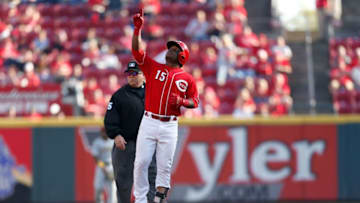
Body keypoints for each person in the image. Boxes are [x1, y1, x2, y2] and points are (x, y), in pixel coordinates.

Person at [131, 8, 200, 203]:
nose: (170, 49)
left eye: (175, 49)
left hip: (170, 124)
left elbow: (195, 101)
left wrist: (182, 102)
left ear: (182, 57)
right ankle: (141, 200)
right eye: (171, 47)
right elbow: (137, 52)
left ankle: (159, 199)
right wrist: (137, 30)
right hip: (149, 120)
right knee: (141, 163)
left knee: (164, 166)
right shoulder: (154, 67)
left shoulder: (187, 78)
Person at [104, 61, 157, 203]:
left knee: (152, 178)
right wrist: (116, 134)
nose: (131, 76)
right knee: (123, 182)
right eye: (129, 74)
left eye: (135, 73)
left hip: (148, 142)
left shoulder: (154, 93)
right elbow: (110, 119)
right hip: (126, 143)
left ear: (144, 76)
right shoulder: (119, 96)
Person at [91, 128, 116, 203]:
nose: (104, 133)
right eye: (103, 132)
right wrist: (102, 167)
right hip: (101, 166)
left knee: (112, 189)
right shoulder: (97, 142)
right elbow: (95, 158)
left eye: (105, 132)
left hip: (111, 166)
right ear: (101, 133)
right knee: (98, 187)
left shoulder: (112, 141)